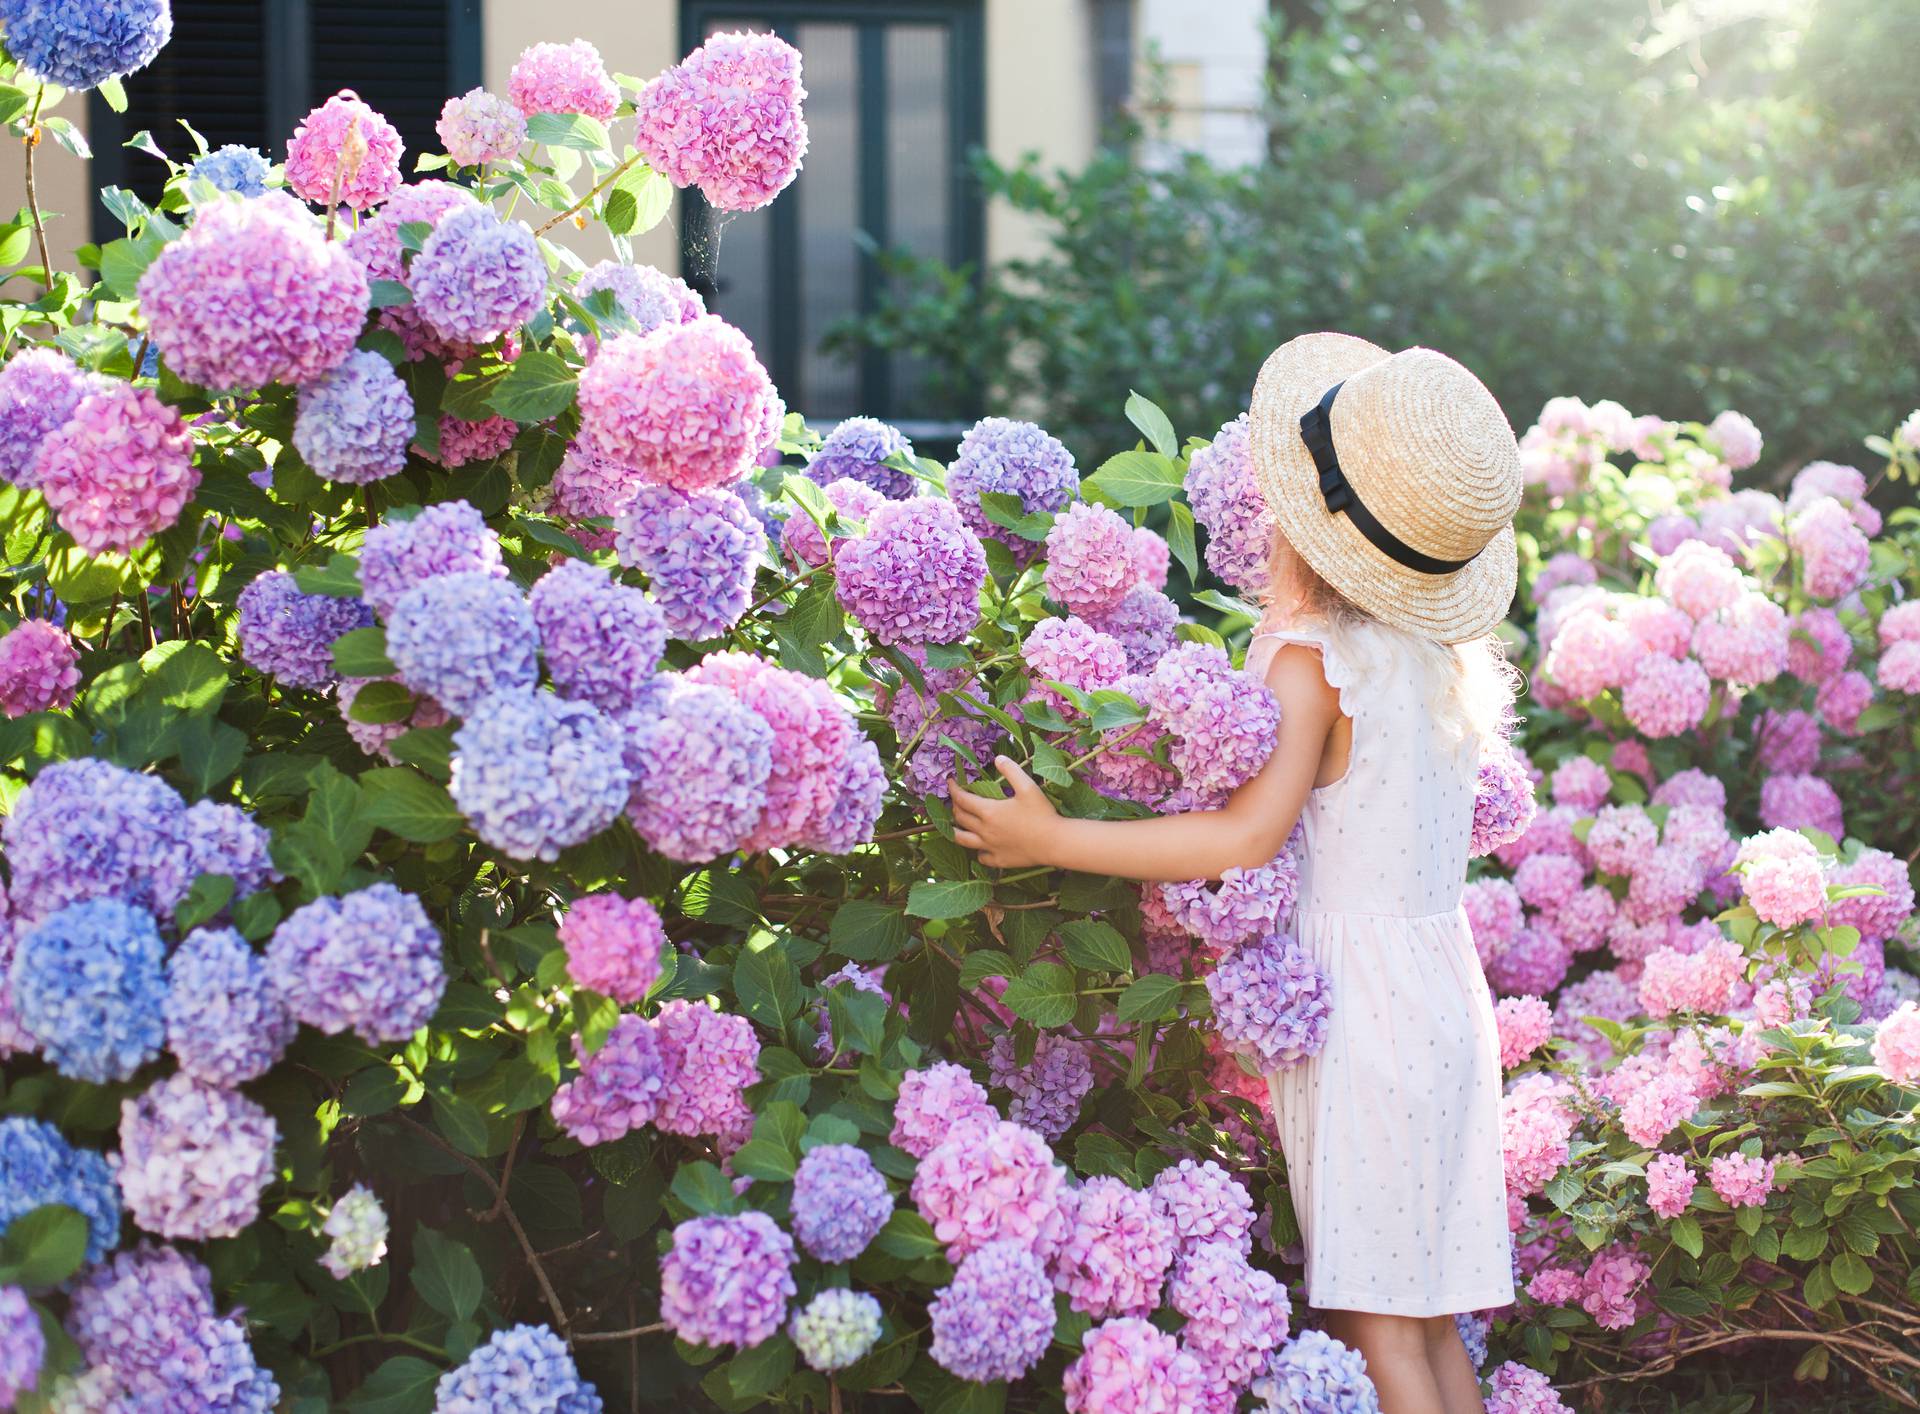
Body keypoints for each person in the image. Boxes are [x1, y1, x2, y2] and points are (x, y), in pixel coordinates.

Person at [951, 332, 1524, 1414]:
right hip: (1442, 999)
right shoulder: (1430, 663)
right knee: (1424, 1317)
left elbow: (1241, 838)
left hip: (1362, 1017)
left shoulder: (1312, 661)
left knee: (1374, 1320)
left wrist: (1055, 838)